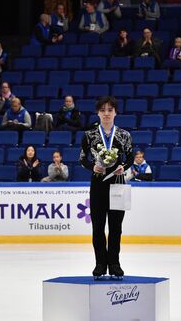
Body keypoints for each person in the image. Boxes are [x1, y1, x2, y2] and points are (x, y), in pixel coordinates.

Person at [80, 96, 134, 279]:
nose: (106, 113)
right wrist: (92, 166)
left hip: (118, 184)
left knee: (116, 227)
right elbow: (82, 159)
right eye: (103, 110)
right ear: (98, 113)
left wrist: (123, 168)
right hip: (98, 185)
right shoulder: (89, 135)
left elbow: (131, 158)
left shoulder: (124, 135)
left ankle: (115, 263)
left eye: (110, 110)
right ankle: (100, 264)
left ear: (115, 113)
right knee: (98, 227)